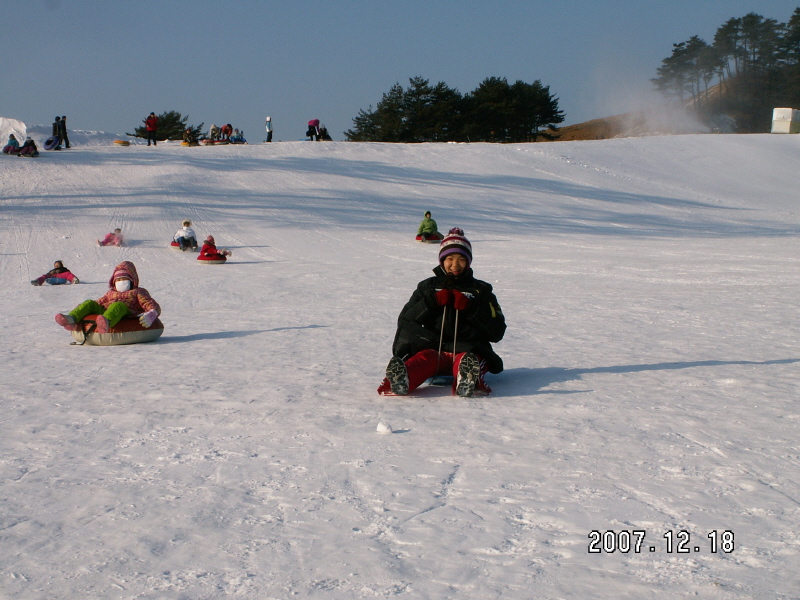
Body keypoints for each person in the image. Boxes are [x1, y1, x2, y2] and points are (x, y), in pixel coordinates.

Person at [378, 228, 506, 398]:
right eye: (450, 259)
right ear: (442, 260)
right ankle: (403, 378)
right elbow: (406, 319)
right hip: (434, 347)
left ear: (468, 262)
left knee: (468, 359)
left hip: (468, 347)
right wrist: (431, 302)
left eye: (461, 259)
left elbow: (497, 330)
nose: (455, 264)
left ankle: (467, 379)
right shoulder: (428, 287)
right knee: (423, 360)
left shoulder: (480, 290)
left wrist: (471, 308)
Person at [55, 261, 160, 334]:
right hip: (106, 309)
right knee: (89, 303)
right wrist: (83, 307)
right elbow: (100, 302)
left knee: (118, 305)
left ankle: (106, 323)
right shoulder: (111, 292)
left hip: (125, 311)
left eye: (124, 279)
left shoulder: (138, 292)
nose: (121, 282)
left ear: (132, 281)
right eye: (118, 280)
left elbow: (149, 303)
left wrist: (153, 312)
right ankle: (71, 319)